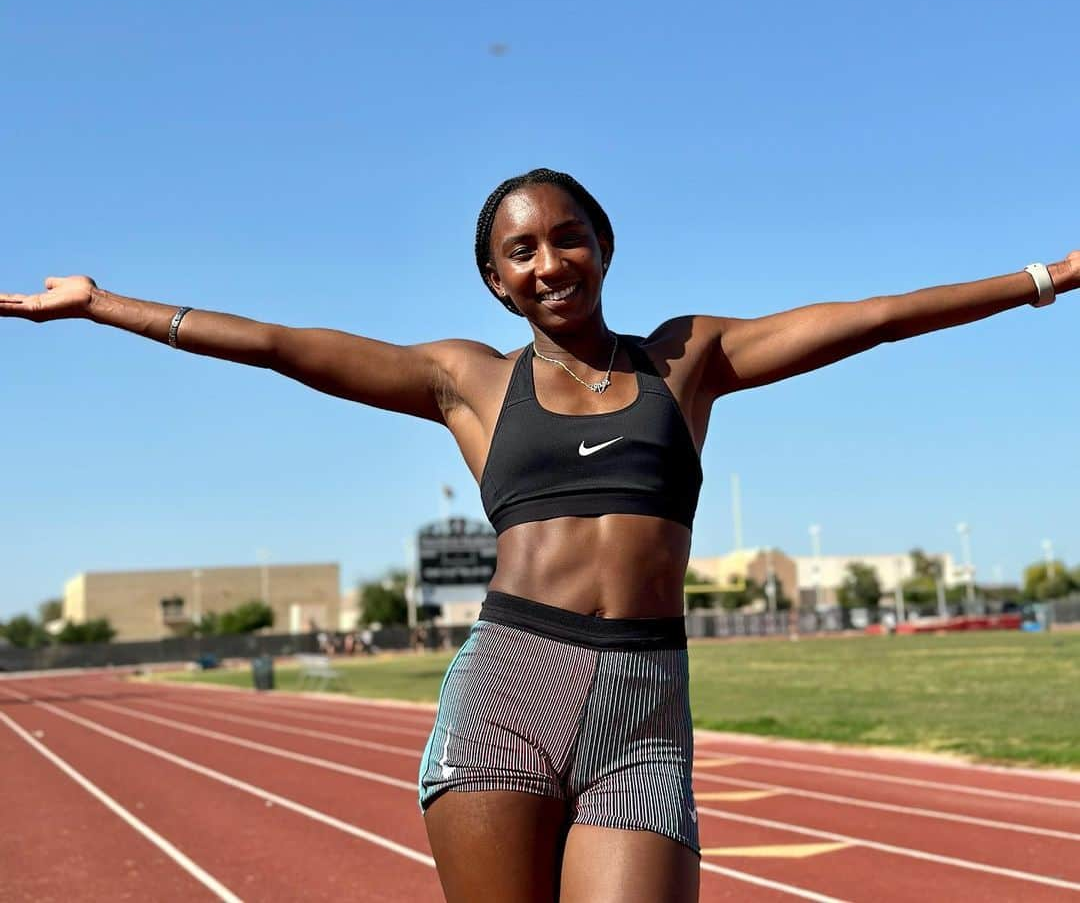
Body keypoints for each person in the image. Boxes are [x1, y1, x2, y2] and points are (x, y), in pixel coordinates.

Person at [1, 168, 1074, 903]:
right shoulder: (468, 381)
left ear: (604, 248)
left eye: (569, 237)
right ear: (495, 279)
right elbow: (285, 345)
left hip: (644, 707)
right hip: (510, 688)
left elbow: (876, 316)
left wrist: (1044, 281)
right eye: (522, 250)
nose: (550, 261)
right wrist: (102, 306)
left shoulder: (686, 359)